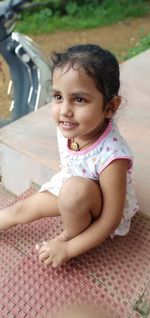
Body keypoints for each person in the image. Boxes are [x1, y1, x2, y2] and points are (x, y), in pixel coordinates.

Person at [0, 44, 139, 268]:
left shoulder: (112, 158)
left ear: (110, 107)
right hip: (72, 186)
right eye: (58, 96)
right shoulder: (71, 125)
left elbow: (110, 221)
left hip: (96, 203)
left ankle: (70, 235)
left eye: (79, 99)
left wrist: (68, 248)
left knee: (74, 192)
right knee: (20, 210)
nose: (65, 109)